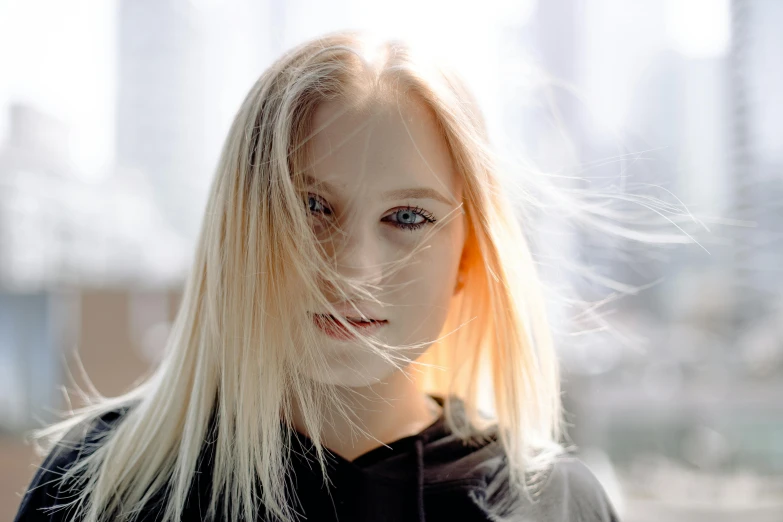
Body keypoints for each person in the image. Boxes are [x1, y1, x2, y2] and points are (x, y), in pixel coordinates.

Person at [14, 30, 619, 522]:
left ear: (468, 258)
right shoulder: (99, 485)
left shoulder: (557, 505)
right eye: (311, 206)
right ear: (237, 235)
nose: (353, 269)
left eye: (408, 217)